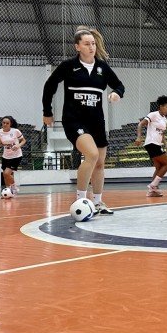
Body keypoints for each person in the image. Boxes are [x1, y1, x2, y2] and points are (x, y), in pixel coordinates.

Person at [42, 25, 125, 215]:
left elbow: (119, 85)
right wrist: (47, 111)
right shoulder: (68, 66)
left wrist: (116, 93)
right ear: (77, 47)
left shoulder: (102, 68)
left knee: (100, 163)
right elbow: (50, 86)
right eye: (87, 44)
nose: (91, 47)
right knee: (92, 155)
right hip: (74, 120)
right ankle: (80, 201)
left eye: (93, 44)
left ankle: (98, 202)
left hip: (97, 121)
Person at [135, 96, 167, 197]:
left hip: (157, 144)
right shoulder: (153, 115)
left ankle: (152, 192)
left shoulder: (164, 119)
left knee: (159, 167)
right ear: (161, 106)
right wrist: (139, 137)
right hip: (151, 144)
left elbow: (162, 133)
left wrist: (165, 143)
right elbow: (140, 124)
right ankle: (153, 186)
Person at [0, 116, 26, 195]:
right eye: (4, 123)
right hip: (5, 156)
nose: (5, 124)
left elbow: (23, 140)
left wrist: (18, 145)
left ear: (10, 124)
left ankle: (14, 188)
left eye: (7, 123)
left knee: (7, 173)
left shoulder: (15, 131)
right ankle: (8, 191)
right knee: (5, 175)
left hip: (16, 156)